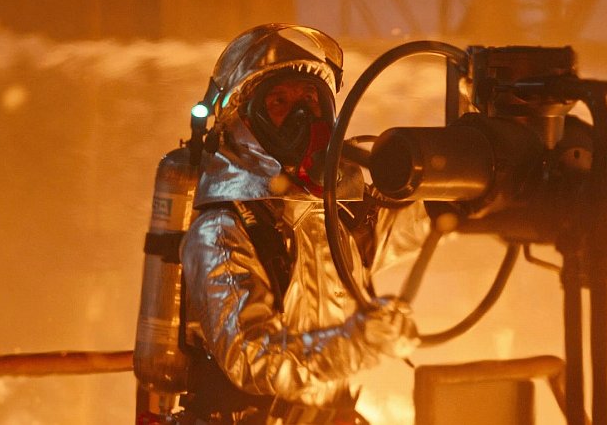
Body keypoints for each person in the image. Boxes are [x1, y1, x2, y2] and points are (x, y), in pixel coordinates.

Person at [178, 24, 424, 425]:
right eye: (279, 101)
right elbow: (252, 359)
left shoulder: (338, 216)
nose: (301, 115)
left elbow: (417, 225)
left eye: (310, 99)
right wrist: (358, 344)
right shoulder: (222, 230)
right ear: (245, 120)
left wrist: (468, 182)